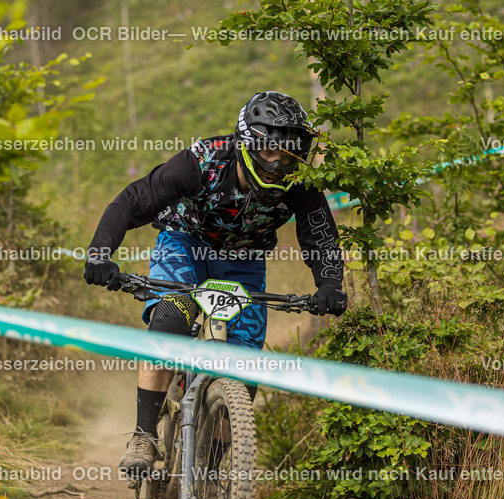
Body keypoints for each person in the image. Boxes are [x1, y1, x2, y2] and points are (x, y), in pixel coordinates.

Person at [83, 91, 347, 473]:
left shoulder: (300, 184)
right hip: (185, 243)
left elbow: (320, 237)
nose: (276, 165)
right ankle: (144, 435)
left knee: (243, 369)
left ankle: (212, 479)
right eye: (268, 152)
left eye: (287, 156)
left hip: (244, 260)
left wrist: (330, 285)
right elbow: (132, 200)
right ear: (245, 146)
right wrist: (99, 254)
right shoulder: (201, 162)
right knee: (172, 316)